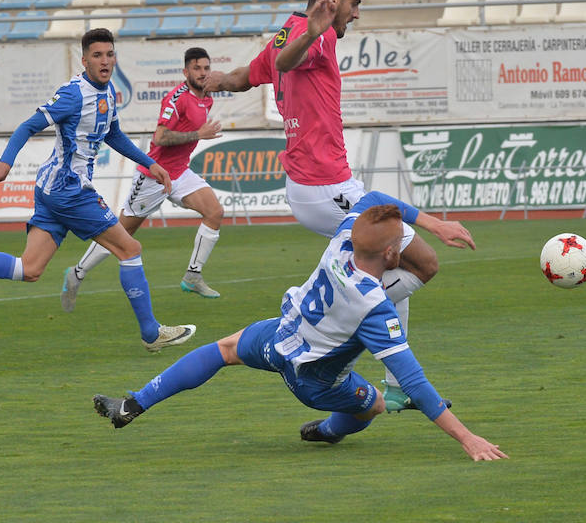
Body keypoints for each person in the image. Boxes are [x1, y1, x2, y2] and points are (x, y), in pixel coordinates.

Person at [202, 0, 469, 411]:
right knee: (424, 263)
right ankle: (325, 321)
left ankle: (393, 378)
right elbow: (286, 61)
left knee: (389, 261)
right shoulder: (315, 35)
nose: (357, 12)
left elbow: (251, 75)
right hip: (325, 188)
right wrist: (313, 28)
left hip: (317, 186)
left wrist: (217, 81)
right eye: (355, 2)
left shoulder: (293, 30)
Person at [93, 192, 508, 463]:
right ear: (390, 254)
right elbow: (413, 380)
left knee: (224, 349)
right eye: (401, 241)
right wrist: (467, 439)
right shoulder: (373, 306)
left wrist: (430, 224)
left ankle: (131, 405)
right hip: (316, 380)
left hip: (281, 334)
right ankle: (327, 432)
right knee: (376, 405)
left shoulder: (345, 238)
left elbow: (375, 200)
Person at [0, 28, 195, 353]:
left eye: (109, 54)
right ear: (84, 60)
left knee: (29, 269)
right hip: (69, 190)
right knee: (130, 250)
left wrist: (149, 163)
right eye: (97, 56)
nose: (105, 61)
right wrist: (5, 163)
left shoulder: (109, 91)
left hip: (52, 189)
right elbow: (28, 125)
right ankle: (151, 333)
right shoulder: (73, 94)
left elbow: (113, 134)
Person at [61, 47, 225, 311]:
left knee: (215, 212)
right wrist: (198, 134)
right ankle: (77, 273)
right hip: (154, 175)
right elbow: (160, 137)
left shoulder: (206, 99)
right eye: (197, 68)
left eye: (206, 68)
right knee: (121, 233)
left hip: (180, 172)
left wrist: (197, 134)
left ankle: (193, 275)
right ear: (186, 72)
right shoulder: (177, 98)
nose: (203, 73)